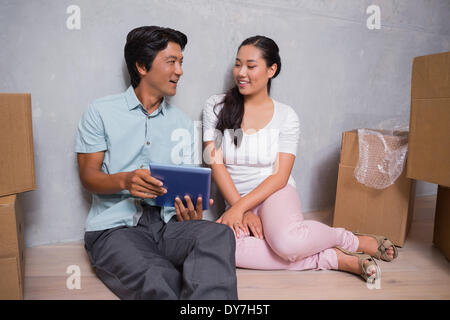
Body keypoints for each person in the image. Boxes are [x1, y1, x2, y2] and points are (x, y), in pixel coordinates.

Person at [202, 35, 398, 283]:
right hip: (235, 197)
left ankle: (349, 240)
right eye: (238, 64)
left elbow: (280, 176)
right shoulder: (215, 106)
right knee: (221, 249)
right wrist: (241, 208)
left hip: (275, 193)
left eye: (251, 66)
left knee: (286, 243)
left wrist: (243, 208)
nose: (241, 72)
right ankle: (332, 258)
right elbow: (215, 163)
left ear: (271, 70)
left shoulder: (286, 116)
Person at [75, 26, 238, 299]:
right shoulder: (100, 112)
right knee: (160, 279)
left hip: (167, 227)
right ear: (141, 66)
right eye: (171, 62)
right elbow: (88, 176)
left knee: (218, 235)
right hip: (116, 229)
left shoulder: (184, 124)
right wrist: (125, 180)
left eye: (181, 62)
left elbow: (186, 188)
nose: (180, 71)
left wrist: (191, 211)